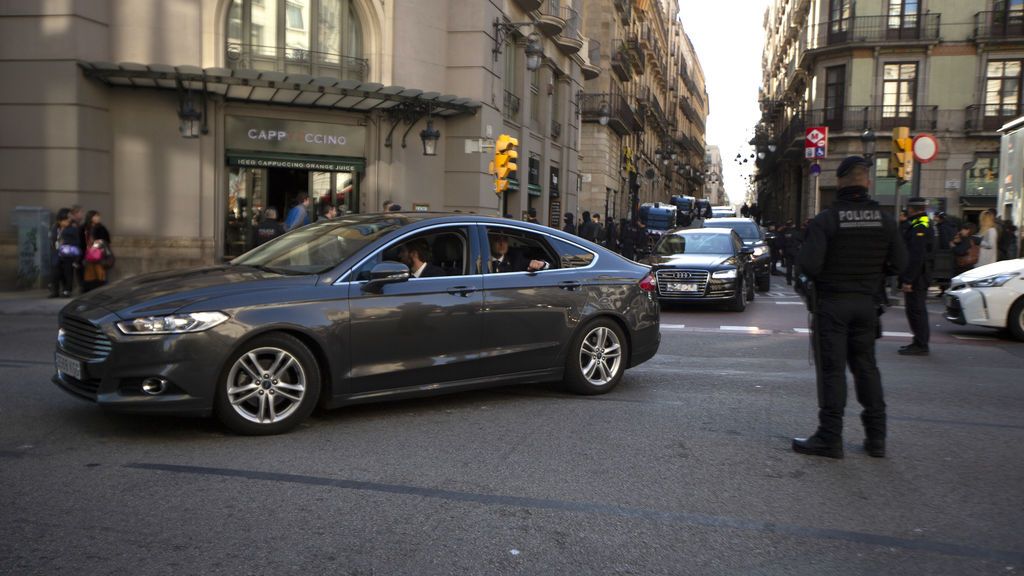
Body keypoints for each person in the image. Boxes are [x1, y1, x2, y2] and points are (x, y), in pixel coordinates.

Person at [793, 156, 907, 459]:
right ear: (867, 182)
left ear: (841, 182)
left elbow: (808, 265)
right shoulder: (884, 220)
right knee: (867, 368)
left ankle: (830, 438)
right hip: (867, 306)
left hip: (832, 305)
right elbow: (900, 263)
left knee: (833, 372)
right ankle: (876, 439)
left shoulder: (827, 220)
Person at [899, 196, 933, 356]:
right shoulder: (920, 223)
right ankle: (918, 341)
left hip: (918, 276)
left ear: (912, 209)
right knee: (915, 310)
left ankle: (921, 344)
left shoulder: (920, 226)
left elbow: (916, 256)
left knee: (916, 310)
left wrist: (908, 280)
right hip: (920, 275)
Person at [49, 208, 79, 298]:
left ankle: (67, 290)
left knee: (68, 273)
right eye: (66, 219)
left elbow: (77, 242)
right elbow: (52, 239)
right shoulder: (55, 228)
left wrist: (67, 244)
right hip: (56, 253)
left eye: (69, 218)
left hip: (68, 254)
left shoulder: (72, 229)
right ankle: (55, 291)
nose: (69, 220)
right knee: (55, 273)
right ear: (60, 220)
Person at [81, 210, 112, 293]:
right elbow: (81, 241)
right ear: (90, 217)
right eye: (96, 216)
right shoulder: (84, 228)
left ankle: (100, 290)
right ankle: (89, 290)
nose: (98, 218)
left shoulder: (101, 228)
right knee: (89, 274)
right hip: (88, 255)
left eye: (98, 216)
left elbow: (107, 241)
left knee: (100, 273)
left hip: (100, 254)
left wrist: (100, 243)